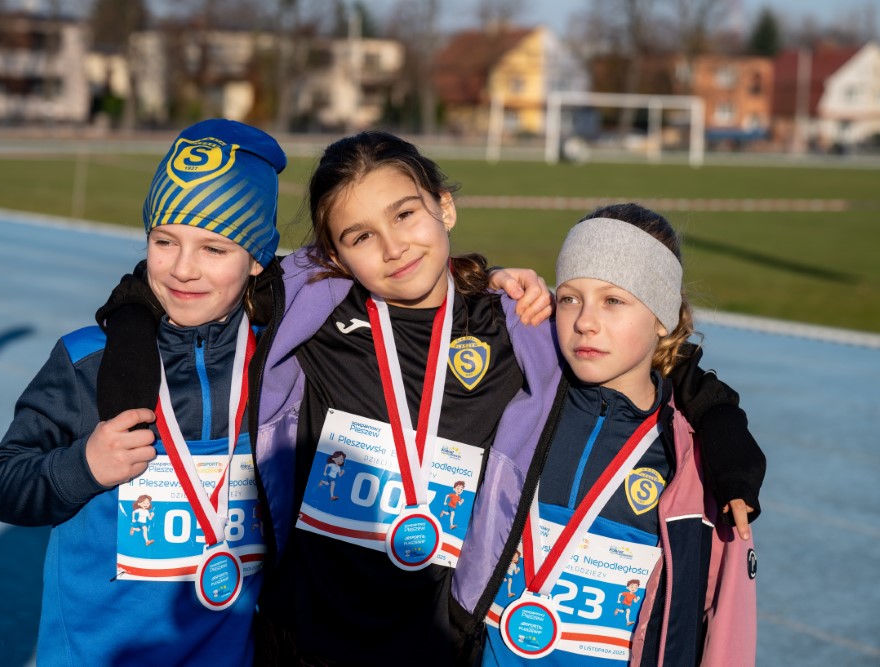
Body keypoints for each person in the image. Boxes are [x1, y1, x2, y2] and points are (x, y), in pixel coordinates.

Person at [94, 132, 764, 666]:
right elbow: (193, 276)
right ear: (336, 255)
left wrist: (722, 426)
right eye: (360, 236)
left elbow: (645, 357)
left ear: (444, 206)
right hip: (301, 644)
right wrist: (128, 318)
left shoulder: (516, 326)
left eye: (405, 214)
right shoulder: (313, 315)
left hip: (438, 648)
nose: (392, 248)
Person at [0, 119, 287, 666]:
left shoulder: (281, 360)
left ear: (257, 258)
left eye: (214, 248)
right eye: (165, 241)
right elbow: (2, 484)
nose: (183, 269)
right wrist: (84, 467)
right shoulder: (87, 360)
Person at [465, 204, 758, 666]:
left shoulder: (694, 463)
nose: (585, 321)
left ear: (662, 315)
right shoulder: (520, 400)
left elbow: (722, 633)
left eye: (613, 301)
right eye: (569, 298)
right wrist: (490, 284)